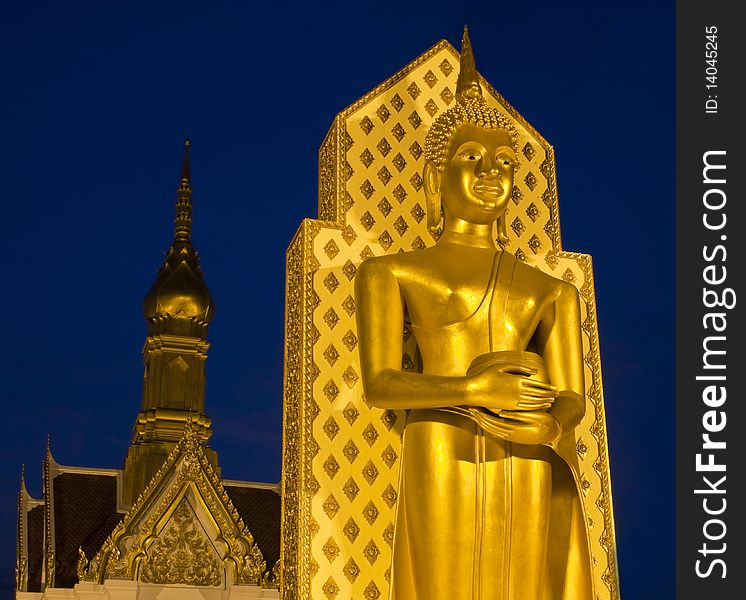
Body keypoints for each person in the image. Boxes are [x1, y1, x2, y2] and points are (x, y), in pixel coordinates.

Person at [354, 28, 594, 600]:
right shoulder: (392, 272)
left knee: (523, 584)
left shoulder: (552, 291)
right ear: (435, 178)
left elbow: (573, 396)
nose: (492, 172)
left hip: (527, 445)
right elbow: (381, 385)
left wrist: (551, 419)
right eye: (472, 157)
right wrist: (473, 388)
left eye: (506, 161)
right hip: (442, 438)